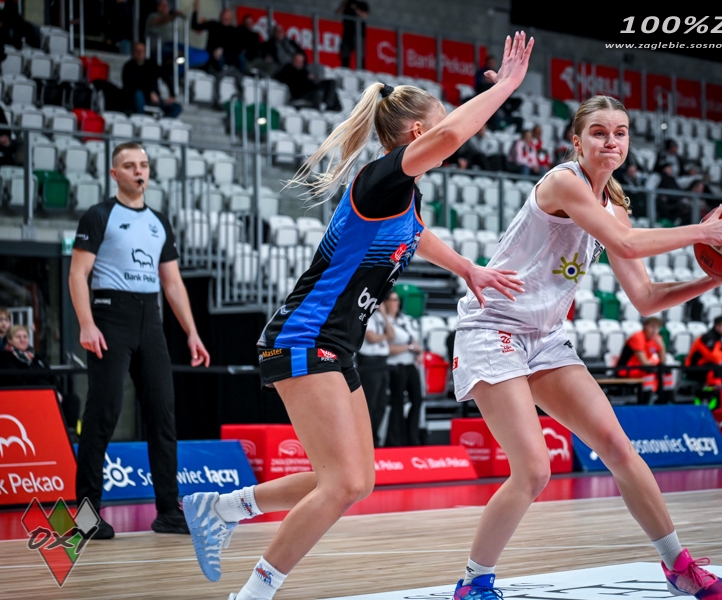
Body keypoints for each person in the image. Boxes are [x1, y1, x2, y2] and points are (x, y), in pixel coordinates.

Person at [182, 31, 533, 600]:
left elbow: (417, 236)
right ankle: (252, 595)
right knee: (342, 483)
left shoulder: (404, 197)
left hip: (335, 344)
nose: (449, 133)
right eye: (439, 124)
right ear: (417, 133)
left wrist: (467, 268)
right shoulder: (381, 178)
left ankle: (222, 508)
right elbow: (451, 134)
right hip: (304, 335)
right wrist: (507, 87)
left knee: (356, 480)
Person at [450, 94, 722, 600]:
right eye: (599, 132)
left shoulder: (615, 207)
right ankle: (474, 581)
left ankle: (678, 566)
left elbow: (646, 297)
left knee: (617, 446)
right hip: (493, 327)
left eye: (621, 132)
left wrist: (716, 277)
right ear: (577, 141)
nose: (612, 141)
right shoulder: (563, 182)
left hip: (545, 338)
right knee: (534, 470)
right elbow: (627, 244)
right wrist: (703, 230)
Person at [69, 141, 210, 540]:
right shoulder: (99, 215)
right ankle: (86, 518)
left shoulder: (159, 221)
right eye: (130, 166)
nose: (139, 171)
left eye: (144, 165)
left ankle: (167, 511)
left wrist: (192, 332)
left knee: (163, 416)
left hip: (151, 321)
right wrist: (86, 324)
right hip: (110, 317)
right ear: (115, 174)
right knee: (102, 415)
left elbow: (172, 283)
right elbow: (77, 274)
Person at [0, 324, 81, 429]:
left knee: (72, 400)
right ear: (10, 340)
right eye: (18, 337)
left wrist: (57, 391)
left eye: (25, 337)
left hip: (47, 392)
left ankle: (70, 432)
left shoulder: (35, 356)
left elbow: (51, 375)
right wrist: (41, 391)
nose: (22, 340)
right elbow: (16, 379)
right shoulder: (5, 357)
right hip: (26, 395)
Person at [384, 290, 424, 447]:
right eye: (392, 300)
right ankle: (395, 440)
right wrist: (409, 347)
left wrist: (415, 350)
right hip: (395, 365)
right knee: (398, 402)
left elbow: (415, 341)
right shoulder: (384, 321)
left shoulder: (405, 320)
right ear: (386, 303)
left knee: (417, 399)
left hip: (410, 364)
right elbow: (387, 348)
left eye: (397, 300)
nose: (395, 303)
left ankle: (412, 437)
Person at [357, 300, 393, 446]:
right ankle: (365, 441)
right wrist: (385, 336)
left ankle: (375, 439)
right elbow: (371, 338)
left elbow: (392, 334)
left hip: (382, 363)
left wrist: (384, 314)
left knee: (381, 405)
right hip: (369, 363)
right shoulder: (366, 316)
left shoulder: (380, 317)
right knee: (369, 404)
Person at [616, 316, 672, 403]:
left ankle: (665, 399)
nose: (654, 331)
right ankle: (645, 402)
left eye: (657, 328)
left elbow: (663, 361)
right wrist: (654, 365)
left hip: (641, 369)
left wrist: (662, 346)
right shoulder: (638, 337)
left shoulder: (657, 339)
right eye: (652, 327)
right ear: (645, 326)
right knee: (649, 371)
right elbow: (644, 362)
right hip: (626, 369)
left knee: (666, 370)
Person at [122, 41, 182, 117]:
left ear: (145, 52)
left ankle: (161, 122)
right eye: (137, 51)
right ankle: (141, 118)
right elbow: (131, 85)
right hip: (135, 100)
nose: (140, 53)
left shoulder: (151, 65)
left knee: (177, 107)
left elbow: (166, 77)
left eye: (142, 51)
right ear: (133, 52)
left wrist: (172, 95)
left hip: (154, 100)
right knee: (138, 93)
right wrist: (149, 92)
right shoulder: (128, 67)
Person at [274, 52, 341, 112]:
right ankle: (320, 110)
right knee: (319, 92)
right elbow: (295, 82)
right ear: (293, 60)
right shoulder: (288, 69)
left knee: (331, 83)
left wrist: (313, 80)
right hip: (300, 93)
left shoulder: (303, 70)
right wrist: (306, 78)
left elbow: (309, 83)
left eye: (301, 61)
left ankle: (332, 106)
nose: (300, 63)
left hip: (310, 89)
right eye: (298, 61)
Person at [190, 0, 243, 74]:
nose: (225, 18)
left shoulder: (234, 31)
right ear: (220, 16)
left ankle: (240, 76)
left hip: (228, 56)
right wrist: (195, 10)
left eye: (228, 17)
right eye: (224, 16)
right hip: (212, 56)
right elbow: (195, 26)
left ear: (231, 18)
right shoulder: (213, 24)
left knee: (241, 58)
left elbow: (238, 48)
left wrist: (223, 50)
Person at [337, 0, 369, 68]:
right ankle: (345, 70)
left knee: (360, 56)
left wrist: (356, 9)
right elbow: (337, 14)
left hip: (358, 34)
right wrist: (344, 3)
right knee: (345, 55)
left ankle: (361, 71)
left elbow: (365, 16)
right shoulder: (347, 4)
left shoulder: (362, 4)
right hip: (347, 34)